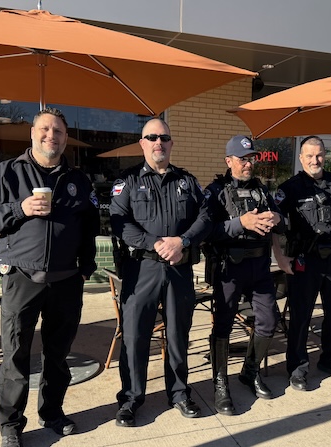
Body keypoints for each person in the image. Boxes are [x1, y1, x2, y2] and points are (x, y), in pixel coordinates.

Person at [0, 107, 100, 447]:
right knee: (15, 354)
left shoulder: (78, 179)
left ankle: (52, 413)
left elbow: (90, 226)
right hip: (21, 276)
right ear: (32, 134)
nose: (51, 135)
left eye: (58, 131)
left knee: (58, 354)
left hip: (66, 279)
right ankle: (11, 425)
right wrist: (19, 209)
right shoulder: (7, 172)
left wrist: (86, 267)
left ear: (65, 138)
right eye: (44, 129)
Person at [110, 118, 211, 426]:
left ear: (171, 143)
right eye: (152, 137)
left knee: (178, 335)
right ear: (142, 143)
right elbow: (119, 221)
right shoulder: (127, 181)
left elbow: (206, 216)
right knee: (134, 336)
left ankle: (179, 393)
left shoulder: (187, 181)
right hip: (141, 269)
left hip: (179, 267)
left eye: (164, 137)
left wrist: (183, 241)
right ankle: (130, 398)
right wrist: (155, 243)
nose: (159, 142)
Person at [273, 135, 331, 391]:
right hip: (304, 260)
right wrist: (280, 257)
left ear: (325, 155)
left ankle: (330, 361)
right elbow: (273, 225)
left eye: (320, 155)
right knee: (301, 316)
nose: (315, 160)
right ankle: (297, 367)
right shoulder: (290, 188)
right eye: (310, 156)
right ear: (301, 158)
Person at [203, 135, 284, 415]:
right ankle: (220, 382)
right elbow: (206, 232)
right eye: (242, 159)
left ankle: (249, 372)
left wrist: (277, 218)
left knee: (269, 320)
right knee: (223, 326)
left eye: (251, 159)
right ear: (229, 161)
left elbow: (282, 222)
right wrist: (241, 223)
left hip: (259, 267)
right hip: (229, 268)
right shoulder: (215, 192)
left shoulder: (262, 191)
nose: (248, 164)